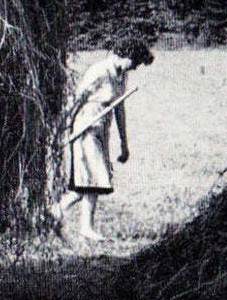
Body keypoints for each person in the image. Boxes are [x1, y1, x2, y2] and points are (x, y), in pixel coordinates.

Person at [50, 37, 154, 242]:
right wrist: (61, 128)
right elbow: (76, 99)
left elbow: (119, 109)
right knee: (93, 178)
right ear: (124, 54)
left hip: (101, 131)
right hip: (85, 128)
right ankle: (81, 225)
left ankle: (57, 211)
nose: (134, 68)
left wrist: (124, 143)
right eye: (134, 62)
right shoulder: (99, 71)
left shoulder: (121, 75)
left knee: (92, 180)